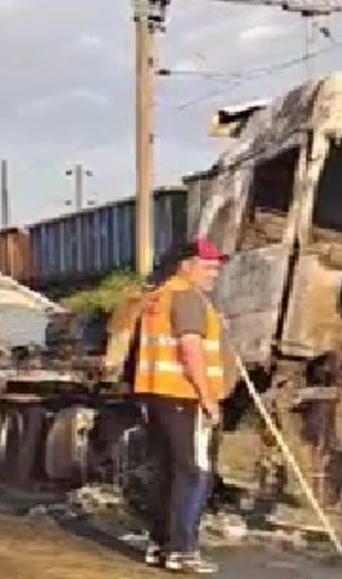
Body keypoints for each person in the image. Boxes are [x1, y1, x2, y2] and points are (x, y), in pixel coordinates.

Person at [131, 238, 228, 574]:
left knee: (167, 471)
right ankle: (183, 550)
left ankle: (159, 545)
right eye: (207, 266)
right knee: (193, 472)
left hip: (156, 394)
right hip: (184, 397)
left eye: (217, 267)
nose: (214, 273)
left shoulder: (159, 297)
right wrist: (209, 398)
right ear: (186, 265)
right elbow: (191, 350)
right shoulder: (187, 297)